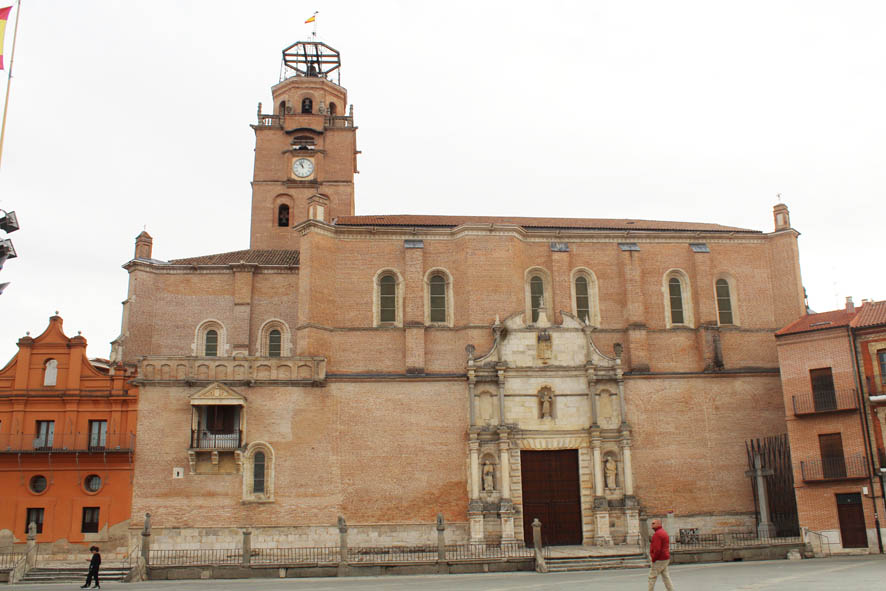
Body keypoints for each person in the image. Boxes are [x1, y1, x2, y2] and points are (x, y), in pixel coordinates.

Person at [648, 519, 675, 591]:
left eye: (653, 523)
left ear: (659, 524)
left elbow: (657, 549)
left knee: (652, 576)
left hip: (659, 559)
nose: (652, 525)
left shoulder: (657, 534)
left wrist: (654, 558)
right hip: (665, 557)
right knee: (666, 576)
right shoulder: (663, 532)